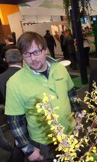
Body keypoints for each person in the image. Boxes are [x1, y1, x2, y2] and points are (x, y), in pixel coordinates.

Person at [4, 31, 77, 162]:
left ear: (45, 49)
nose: (33, 58)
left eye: (36, 52)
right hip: (44, 144)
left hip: (70, 134)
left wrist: (78, 114)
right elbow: (15, 121)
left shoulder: (60, 69)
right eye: (27, 54)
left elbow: (71, 93)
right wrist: (28, 149)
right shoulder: (14, 83)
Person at [0, 49, 25, 162]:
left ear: (7, 60)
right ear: (21, 58)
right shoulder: (29, 75)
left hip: (12, 117)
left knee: (19, 142)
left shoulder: (1, 78)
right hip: (32, 116)